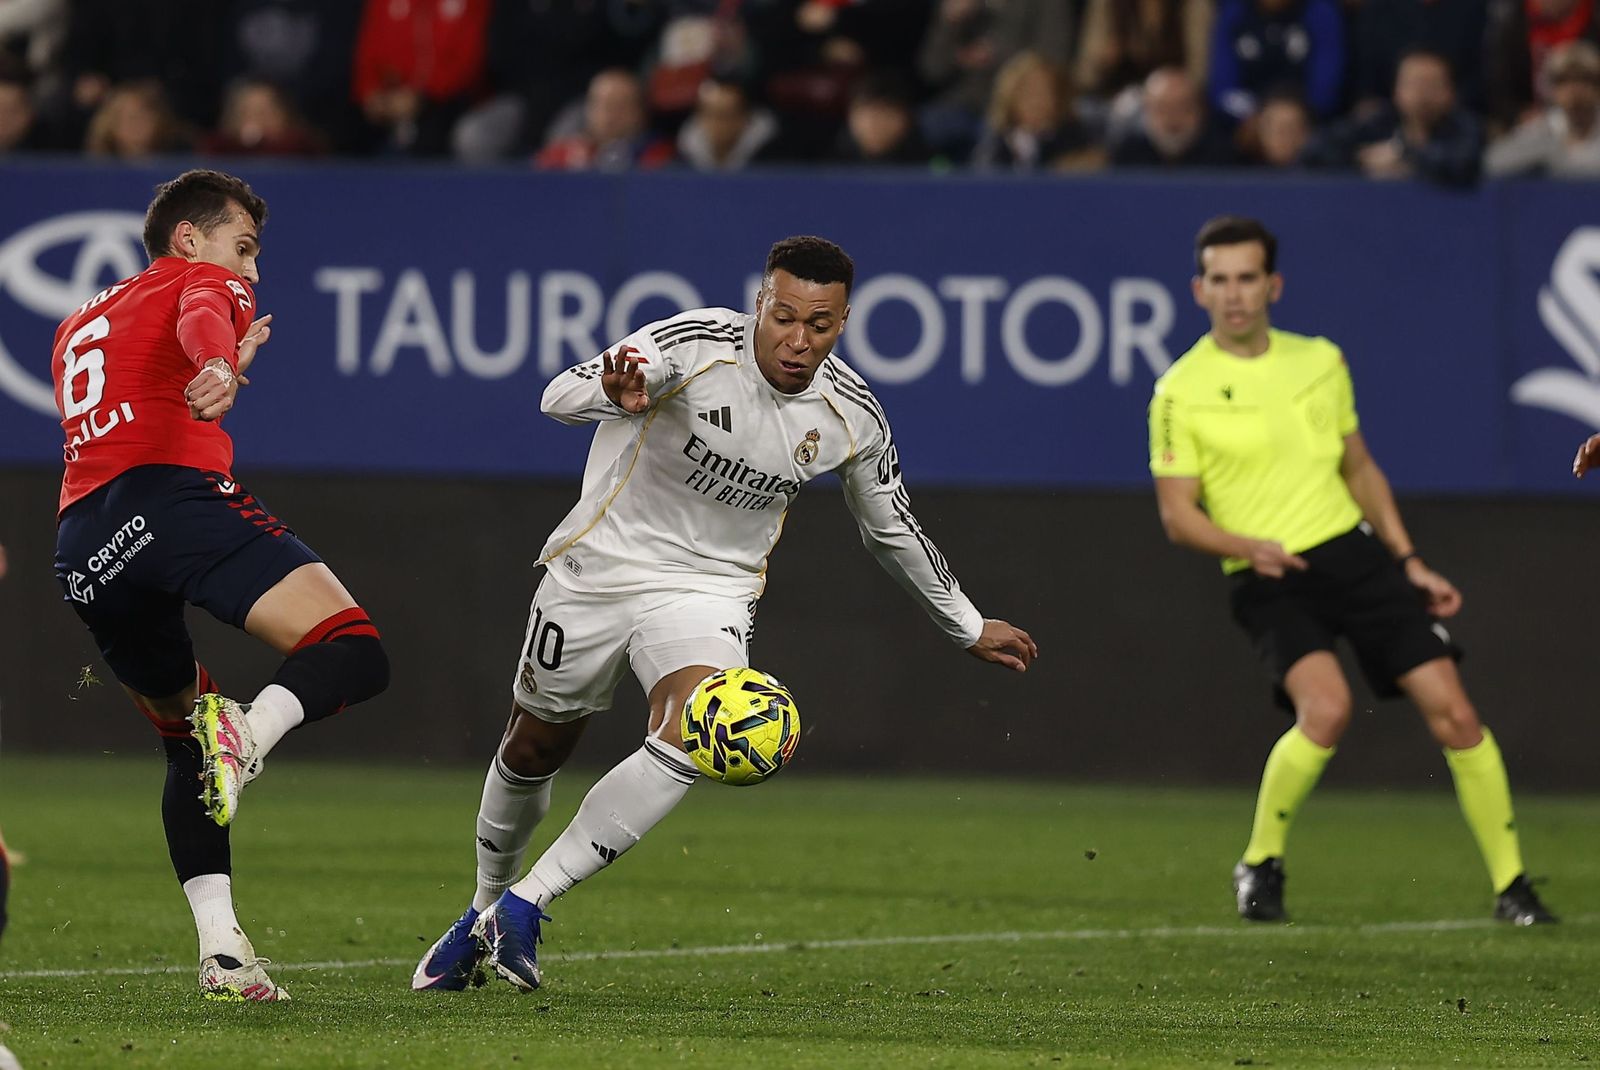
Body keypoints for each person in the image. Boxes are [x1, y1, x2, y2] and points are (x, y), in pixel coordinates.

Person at [413, 236, 1037, 992]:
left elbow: (891, 526)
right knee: (536, 747)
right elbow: (556, 395)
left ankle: (527, 901)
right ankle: (480, 910)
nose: (798, 340)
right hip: (599, 567)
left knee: (711, 722)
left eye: (820, 323)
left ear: (843, 322)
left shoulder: (852, 413)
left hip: (709, 589)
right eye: (784, 317)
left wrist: (965, 623)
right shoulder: (690, 345)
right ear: (758, 305)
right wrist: (613, 395)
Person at [1148, 215, 1554, 926]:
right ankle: (1261, 860)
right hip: (1266, 571)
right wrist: (1248, 543)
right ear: (1198, 290)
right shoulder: (1180, 390)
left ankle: (1512, 886)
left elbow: (1359, 467)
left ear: (1273, 285)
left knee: (1456, 714)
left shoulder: (1320, 361)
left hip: (1352, 553)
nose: (1235, 294)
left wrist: (1409, 560)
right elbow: (1179, 517)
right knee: (1327, 709)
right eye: (1220, 280)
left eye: (1248, 278)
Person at [51, 169, 390, 1001]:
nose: (252, 272)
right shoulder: (204, 280)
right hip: (170, 504)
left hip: (85, 548)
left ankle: (223, 952)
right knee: (352, 649)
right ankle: (252, 732)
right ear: (188, 237)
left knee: (182, 741)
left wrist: (214, 362)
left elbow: (143, 389)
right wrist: (219, 360)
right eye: (244, 248)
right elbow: (204, 311)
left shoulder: (77, 323)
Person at [1486, 40, 1600, 178]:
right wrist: (1546, 151)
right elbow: (1492, 163)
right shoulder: (1542, 129)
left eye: (1583, 79)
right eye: (1564, 81)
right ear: (1552, 90)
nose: (1574, 90)